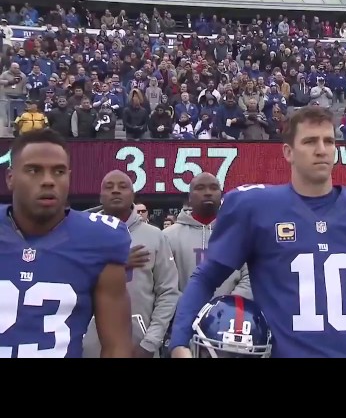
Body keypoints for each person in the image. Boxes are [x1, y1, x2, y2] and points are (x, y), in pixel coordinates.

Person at [170, 107, 346, 358]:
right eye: (310, 141)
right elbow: (206, 277)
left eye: (328, 141)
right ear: (288, 152)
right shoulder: (255, 207)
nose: (321, 149)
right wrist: (179, 342)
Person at [0, 128, 132, 358]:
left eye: (59, 171)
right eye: (34, 170)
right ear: (10, 178)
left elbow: (116, 346)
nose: (48, 181)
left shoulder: (99, 239)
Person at [83, 170, 179, 358]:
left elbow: (168, 292)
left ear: (133, 194)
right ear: (100, 196)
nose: (116, 191)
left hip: (141, 345)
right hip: (90, 346)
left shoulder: (155, 236)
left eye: (123, 186)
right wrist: (115, 265)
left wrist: (150, 342)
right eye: (109, 187)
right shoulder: (84, 235)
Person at [163, 172, 251, 297]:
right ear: (189, 197)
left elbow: (249, 277)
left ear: (221, 195)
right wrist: (186, 308)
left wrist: (226, 307)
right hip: (184, 313)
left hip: (228, 313)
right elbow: (164, 284)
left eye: (214, 188)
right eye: (200, 188)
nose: (208, 192)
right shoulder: (168, 236)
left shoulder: (238, 234)